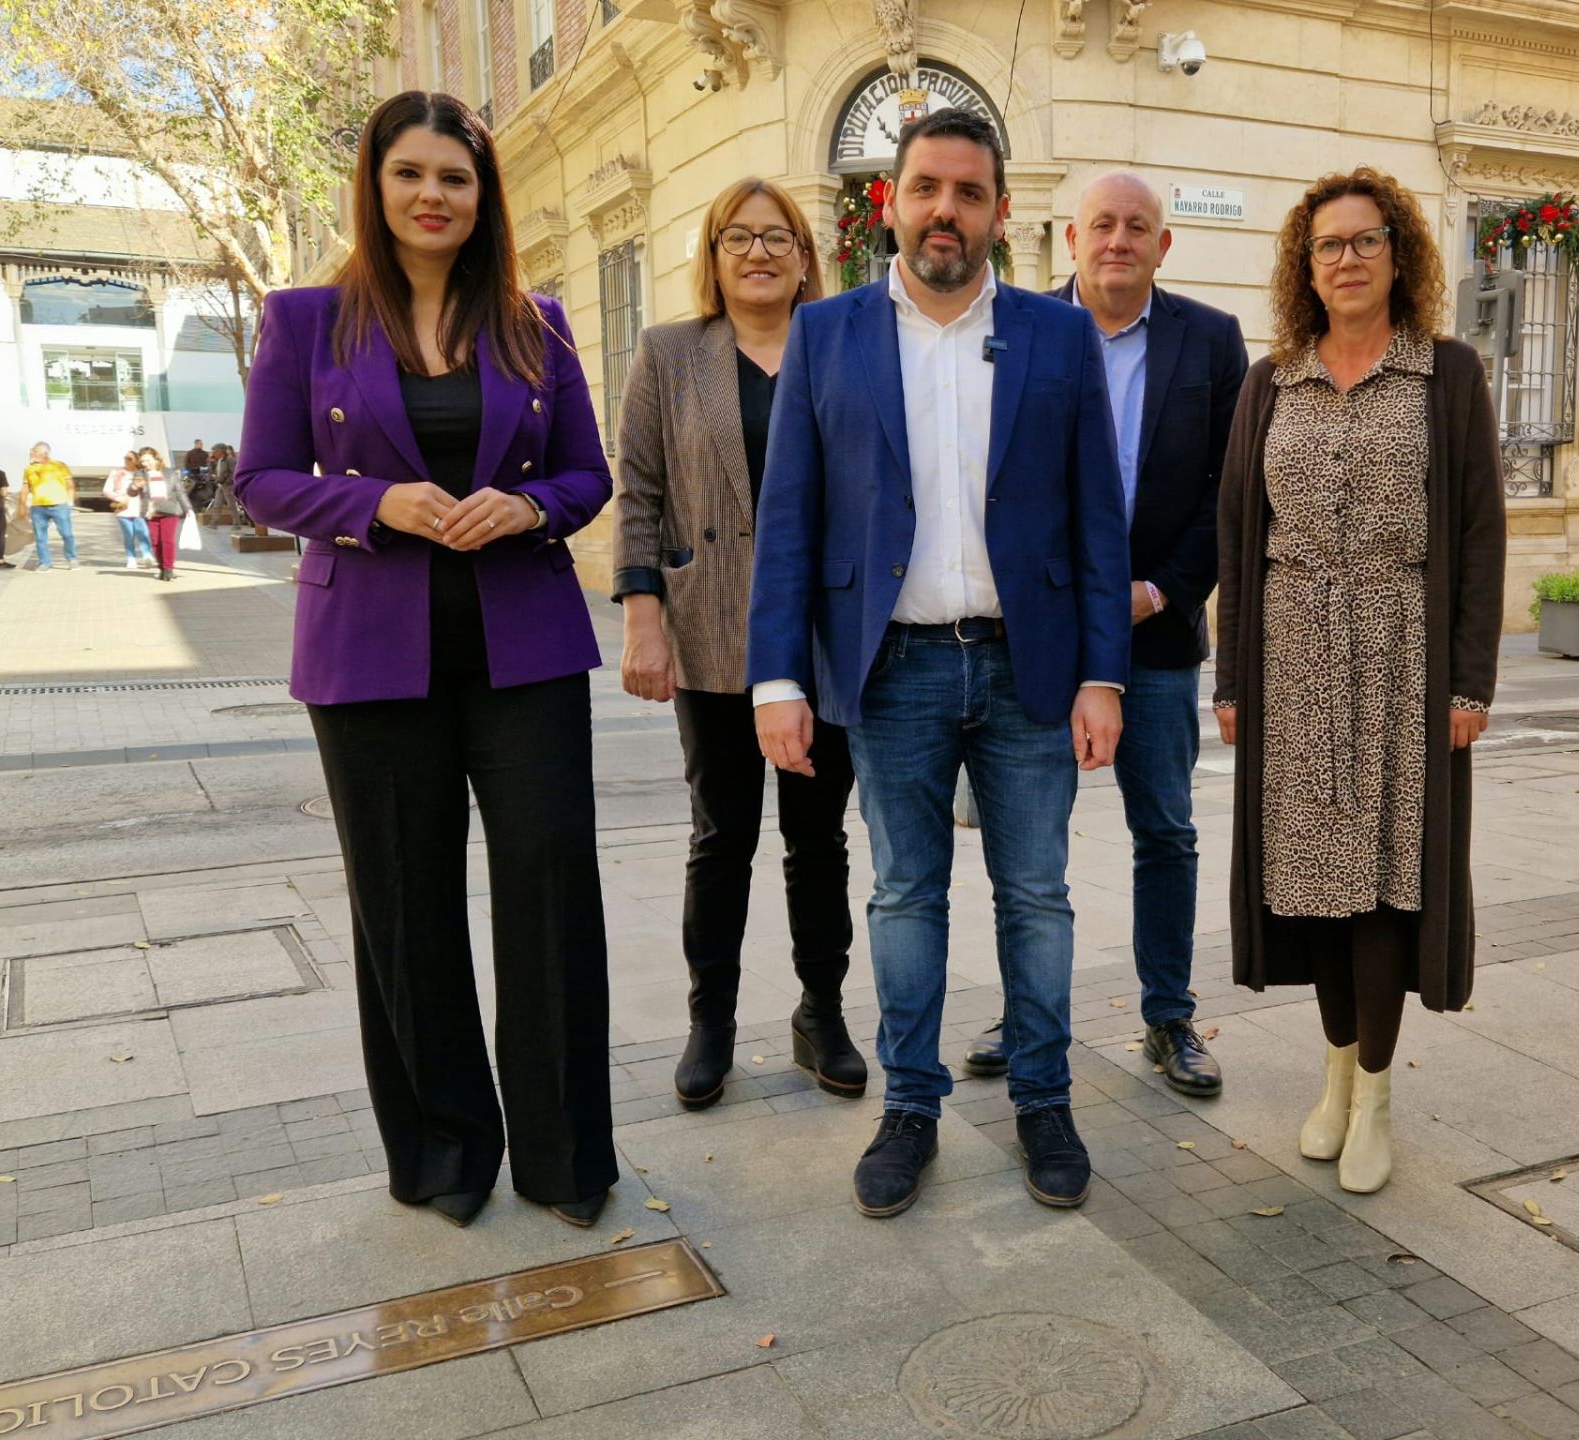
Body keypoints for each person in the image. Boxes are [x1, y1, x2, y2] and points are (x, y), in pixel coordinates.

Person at [235, 90, 618, 1230]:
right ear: (376, 184)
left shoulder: (537, 322)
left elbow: (586, 474)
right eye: (410, 173)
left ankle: (564, 1158)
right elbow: (259, 480)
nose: (433, 195)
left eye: (455, 177)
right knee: (404, 905)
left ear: (483, 195)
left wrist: (529, 508)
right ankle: (446, 1153)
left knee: (552, 888)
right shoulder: (306, 320)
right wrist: (373, 502)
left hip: (526, 649)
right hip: (367, 655)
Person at [747, 110, 1131, 1218]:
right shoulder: (827, 335)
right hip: (891, 670)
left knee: (1038, 896)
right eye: (925, 188)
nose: (945, 211)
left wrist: (1102, 673)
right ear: (892, 203)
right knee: (905, 896)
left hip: (1029, 667)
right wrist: (778, 679)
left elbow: (1097, 520)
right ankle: (910, 1106)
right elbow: (789, 520)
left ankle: (1044, 1100)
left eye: (969, 192)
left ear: (1001, 213)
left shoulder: (1059, 337)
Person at [1213, 167, 1506, 1194]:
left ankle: (1376, 1094)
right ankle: (1335, 1075)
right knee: (1312, 886)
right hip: (1291, 656)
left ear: (1398, 253)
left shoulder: (1446, 375)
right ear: (1307, 264)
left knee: (1384, 881)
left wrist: (1469, 687)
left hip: (1400, 657)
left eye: (1366, 239)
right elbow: (1239, 538)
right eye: (1329, 244)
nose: (1347, 258)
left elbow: (1478, 536)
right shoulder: (1270, 382)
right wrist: (1231, 681)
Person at [961, 172, 1248, 1098]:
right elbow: (989, 478)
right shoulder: (1020, 330)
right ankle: (1028, 1012)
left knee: (1164, 829)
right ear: (1071, 237)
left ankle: (1168, 1017)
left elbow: (1231, 492)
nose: (1118, 240)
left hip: (1154, 636)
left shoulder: (1211, 340)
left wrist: (1160, 591)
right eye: (1102, 225)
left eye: (1136, 227)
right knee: (1028, 845)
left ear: (1163, 245)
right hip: (1040, 636)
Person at [614, 179, 865, 1110]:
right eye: (738, 238)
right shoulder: (670, 352)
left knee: (818, 840)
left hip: (823, 636)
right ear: (714, 256)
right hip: (711, 626)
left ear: (805, 255)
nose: (759, 253)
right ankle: (710, 1022)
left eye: (777, 237)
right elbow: (639, 489)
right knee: (721, 838)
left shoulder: (843, 346)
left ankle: (821, 1013)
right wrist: (643, 618)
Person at [21, 442, 78, 571]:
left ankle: (72, 558)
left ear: (44, 453)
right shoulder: (29, 469)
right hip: (38, 508)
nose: (31, 453)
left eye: (35, 451)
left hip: (60, 505)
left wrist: (70, 502)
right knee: (40, 538)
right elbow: (25, 488)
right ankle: (44, 563)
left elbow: (70, 484)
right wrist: (22, 506)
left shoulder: (60, 465)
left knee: (67, 534)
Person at [138, 447, 186, 581]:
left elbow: (180, 492)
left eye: (148, 460)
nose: (145, 464)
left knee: (167, 540)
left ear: (156, 458)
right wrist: (135, 487)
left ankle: (168, 568)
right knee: (155, 542)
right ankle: (162, 568)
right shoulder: (140, 474)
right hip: (151, 513)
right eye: (142, 461)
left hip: (170, 511)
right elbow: (131, 490)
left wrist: (188, 509)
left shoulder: (169, 473)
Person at [103, 450, 155, 569]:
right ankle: (131, 558)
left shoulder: (142, 473)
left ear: (136, 461)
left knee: (143, 533)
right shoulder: (116, 473)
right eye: (125, 458)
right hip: (123, 508)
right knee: (129, 535)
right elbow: (106, 490)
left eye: (130, 459)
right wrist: (118, 497)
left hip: (139, 508)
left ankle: (147, 555)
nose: (126, 461)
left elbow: (150, 491)